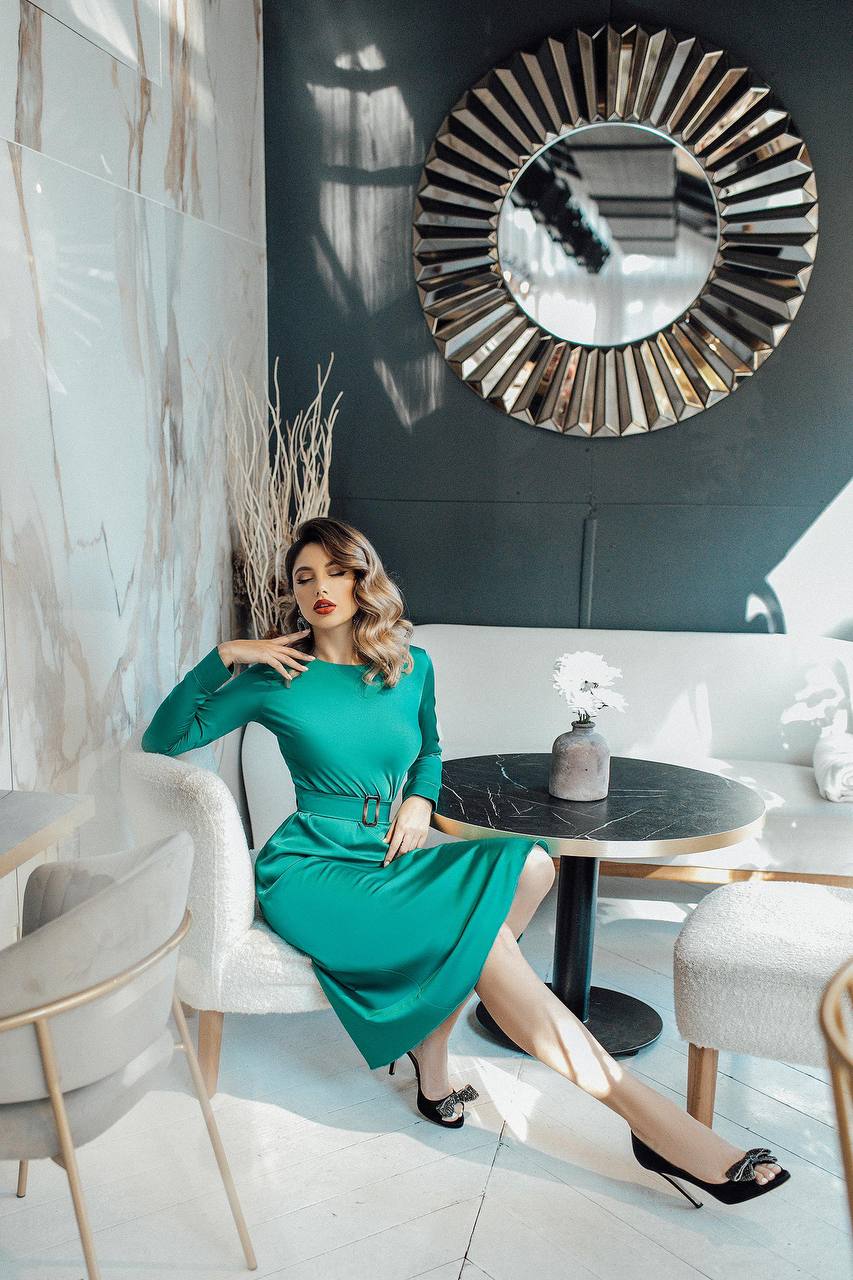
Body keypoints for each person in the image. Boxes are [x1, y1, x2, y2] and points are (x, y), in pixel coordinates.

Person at [142, 516, 789, 1206]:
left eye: (336, 571)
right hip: (312, 868)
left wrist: (418, 803)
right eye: (304, 578)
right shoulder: (278, 674)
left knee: (533, 862)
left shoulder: (407, 662)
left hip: (387, 852)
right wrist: (226, 655)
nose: (320, 588)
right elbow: (163, 738)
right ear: (292, 594)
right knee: (491, 949)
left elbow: (428, 750)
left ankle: (432, 1053)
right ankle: (658, 1127)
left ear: (364, 579)